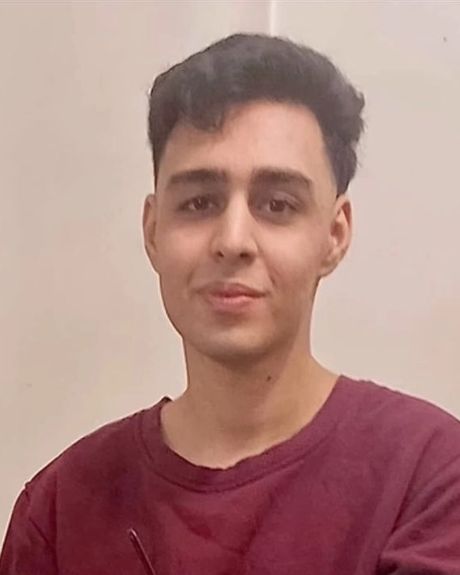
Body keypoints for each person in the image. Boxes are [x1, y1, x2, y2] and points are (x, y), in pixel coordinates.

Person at [1, 33, 459, 575]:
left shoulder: (430, 478)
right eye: (199, 203)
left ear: (334, 235)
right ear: (153, 230)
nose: (233, 240)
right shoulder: (59, 510)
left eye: (277, 204)